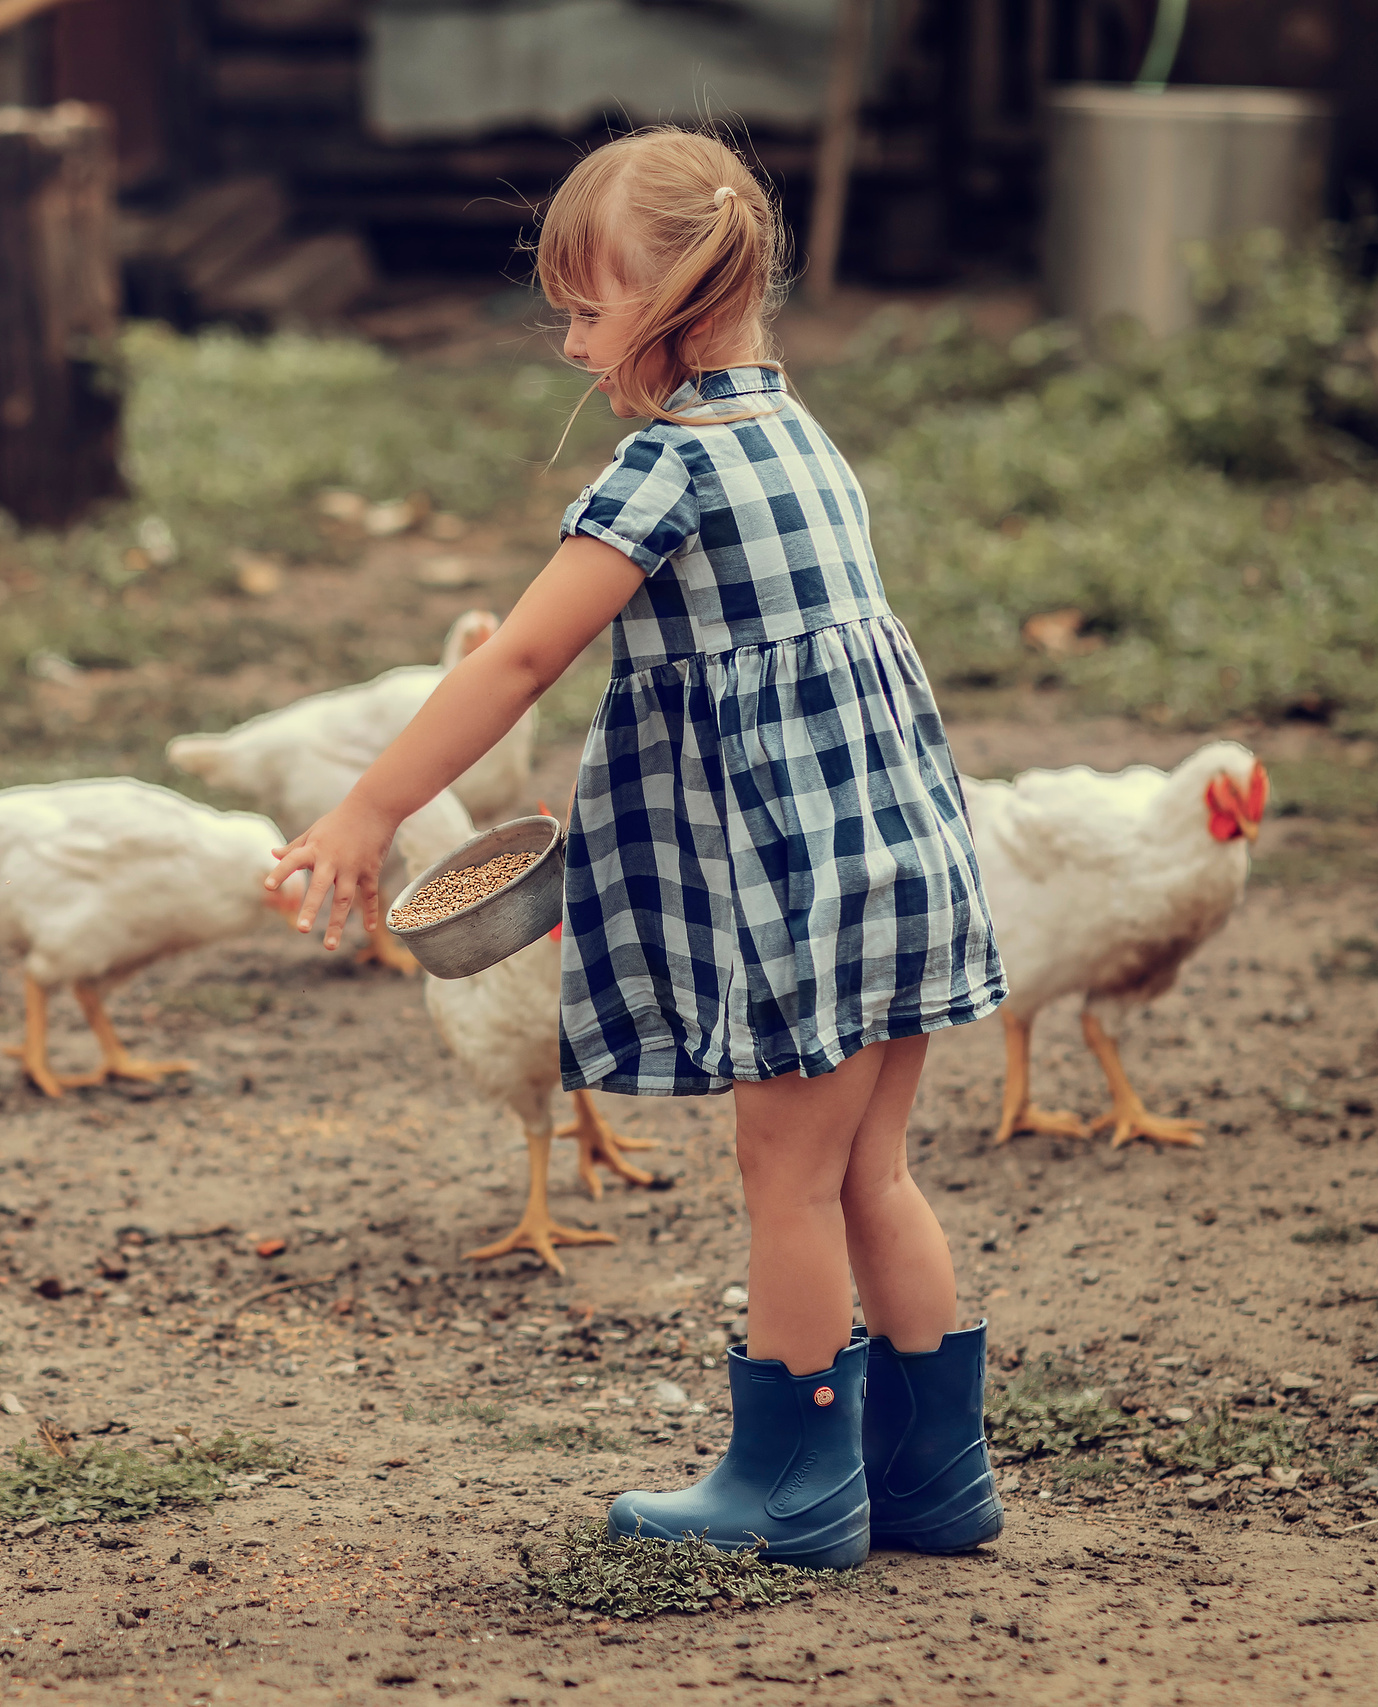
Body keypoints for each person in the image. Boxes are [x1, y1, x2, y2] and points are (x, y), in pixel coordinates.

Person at [264, 128, 1005, 1569]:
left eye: (586, 311)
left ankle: (795, 1485)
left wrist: (366, 807)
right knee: (875, 1174)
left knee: (785, 1181)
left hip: (799, 893)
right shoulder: (804, 438)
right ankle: (934, 1476)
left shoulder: (669, 471)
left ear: (671, 304)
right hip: (900, 869)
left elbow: (521, 657)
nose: (568, 344)